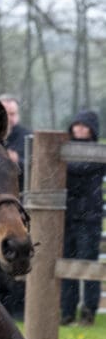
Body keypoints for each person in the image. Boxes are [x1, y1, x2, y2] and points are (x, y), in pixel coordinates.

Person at [60, 109, 105, 326]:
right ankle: (67, 312)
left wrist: (61, 161)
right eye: (76, 124)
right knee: (66, 263)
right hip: (66, 215)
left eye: (84, 125)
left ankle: (88, 311)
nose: (79, 128)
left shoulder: (98, 153)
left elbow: (81, 167)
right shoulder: (65, 150)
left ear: (92, 129)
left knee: (88, 263)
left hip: (90, 217)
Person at [0, 95, 31, 319]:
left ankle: (17, 309)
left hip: (21, 207)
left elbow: (37, 168)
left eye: (13, 114)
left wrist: (18, 162)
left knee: (19, 256)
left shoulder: (26, 137)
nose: (10, 119)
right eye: (5, 115)